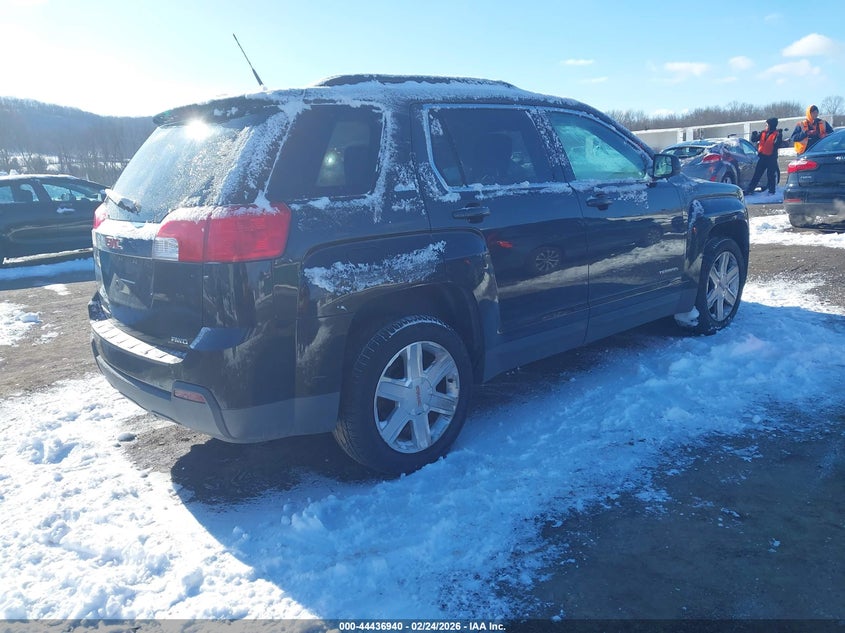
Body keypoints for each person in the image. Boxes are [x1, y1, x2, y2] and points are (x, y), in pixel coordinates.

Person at [744, 117, 781, 195]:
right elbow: (754, 139)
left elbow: (777, 144)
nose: (766, 126)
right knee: (757, 174)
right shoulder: (763, 133)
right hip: (762, 157)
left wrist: (779, 137)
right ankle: (750, 190)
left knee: (770, 175)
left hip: (771, 158)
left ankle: (771, 191)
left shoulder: (777, 134)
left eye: (767, 125)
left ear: (771, 125)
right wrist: (754, 135)